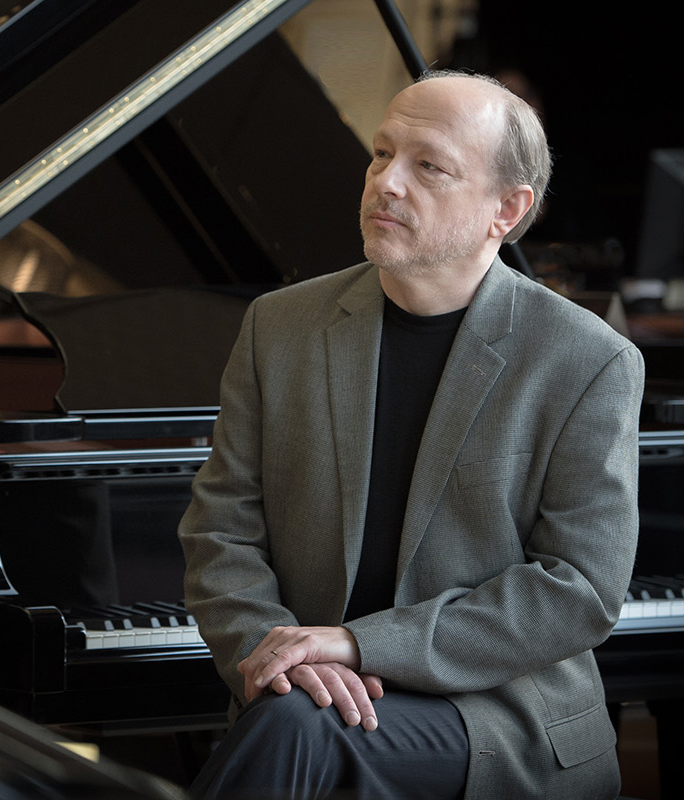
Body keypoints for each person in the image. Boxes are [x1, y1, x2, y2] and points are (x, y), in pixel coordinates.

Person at [178, 70, 644, 799]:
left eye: (428, 166)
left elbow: (580, 589)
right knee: (294, 721)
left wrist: (362, 644)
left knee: (293, 731)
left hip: (496, 713)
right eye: (379, 153)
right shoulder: (280, 326)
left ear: (507, 208)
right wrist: (284, 659)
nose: (386, 183)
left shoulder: (587, 359)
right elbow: (221, 536)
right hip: (308, 695)